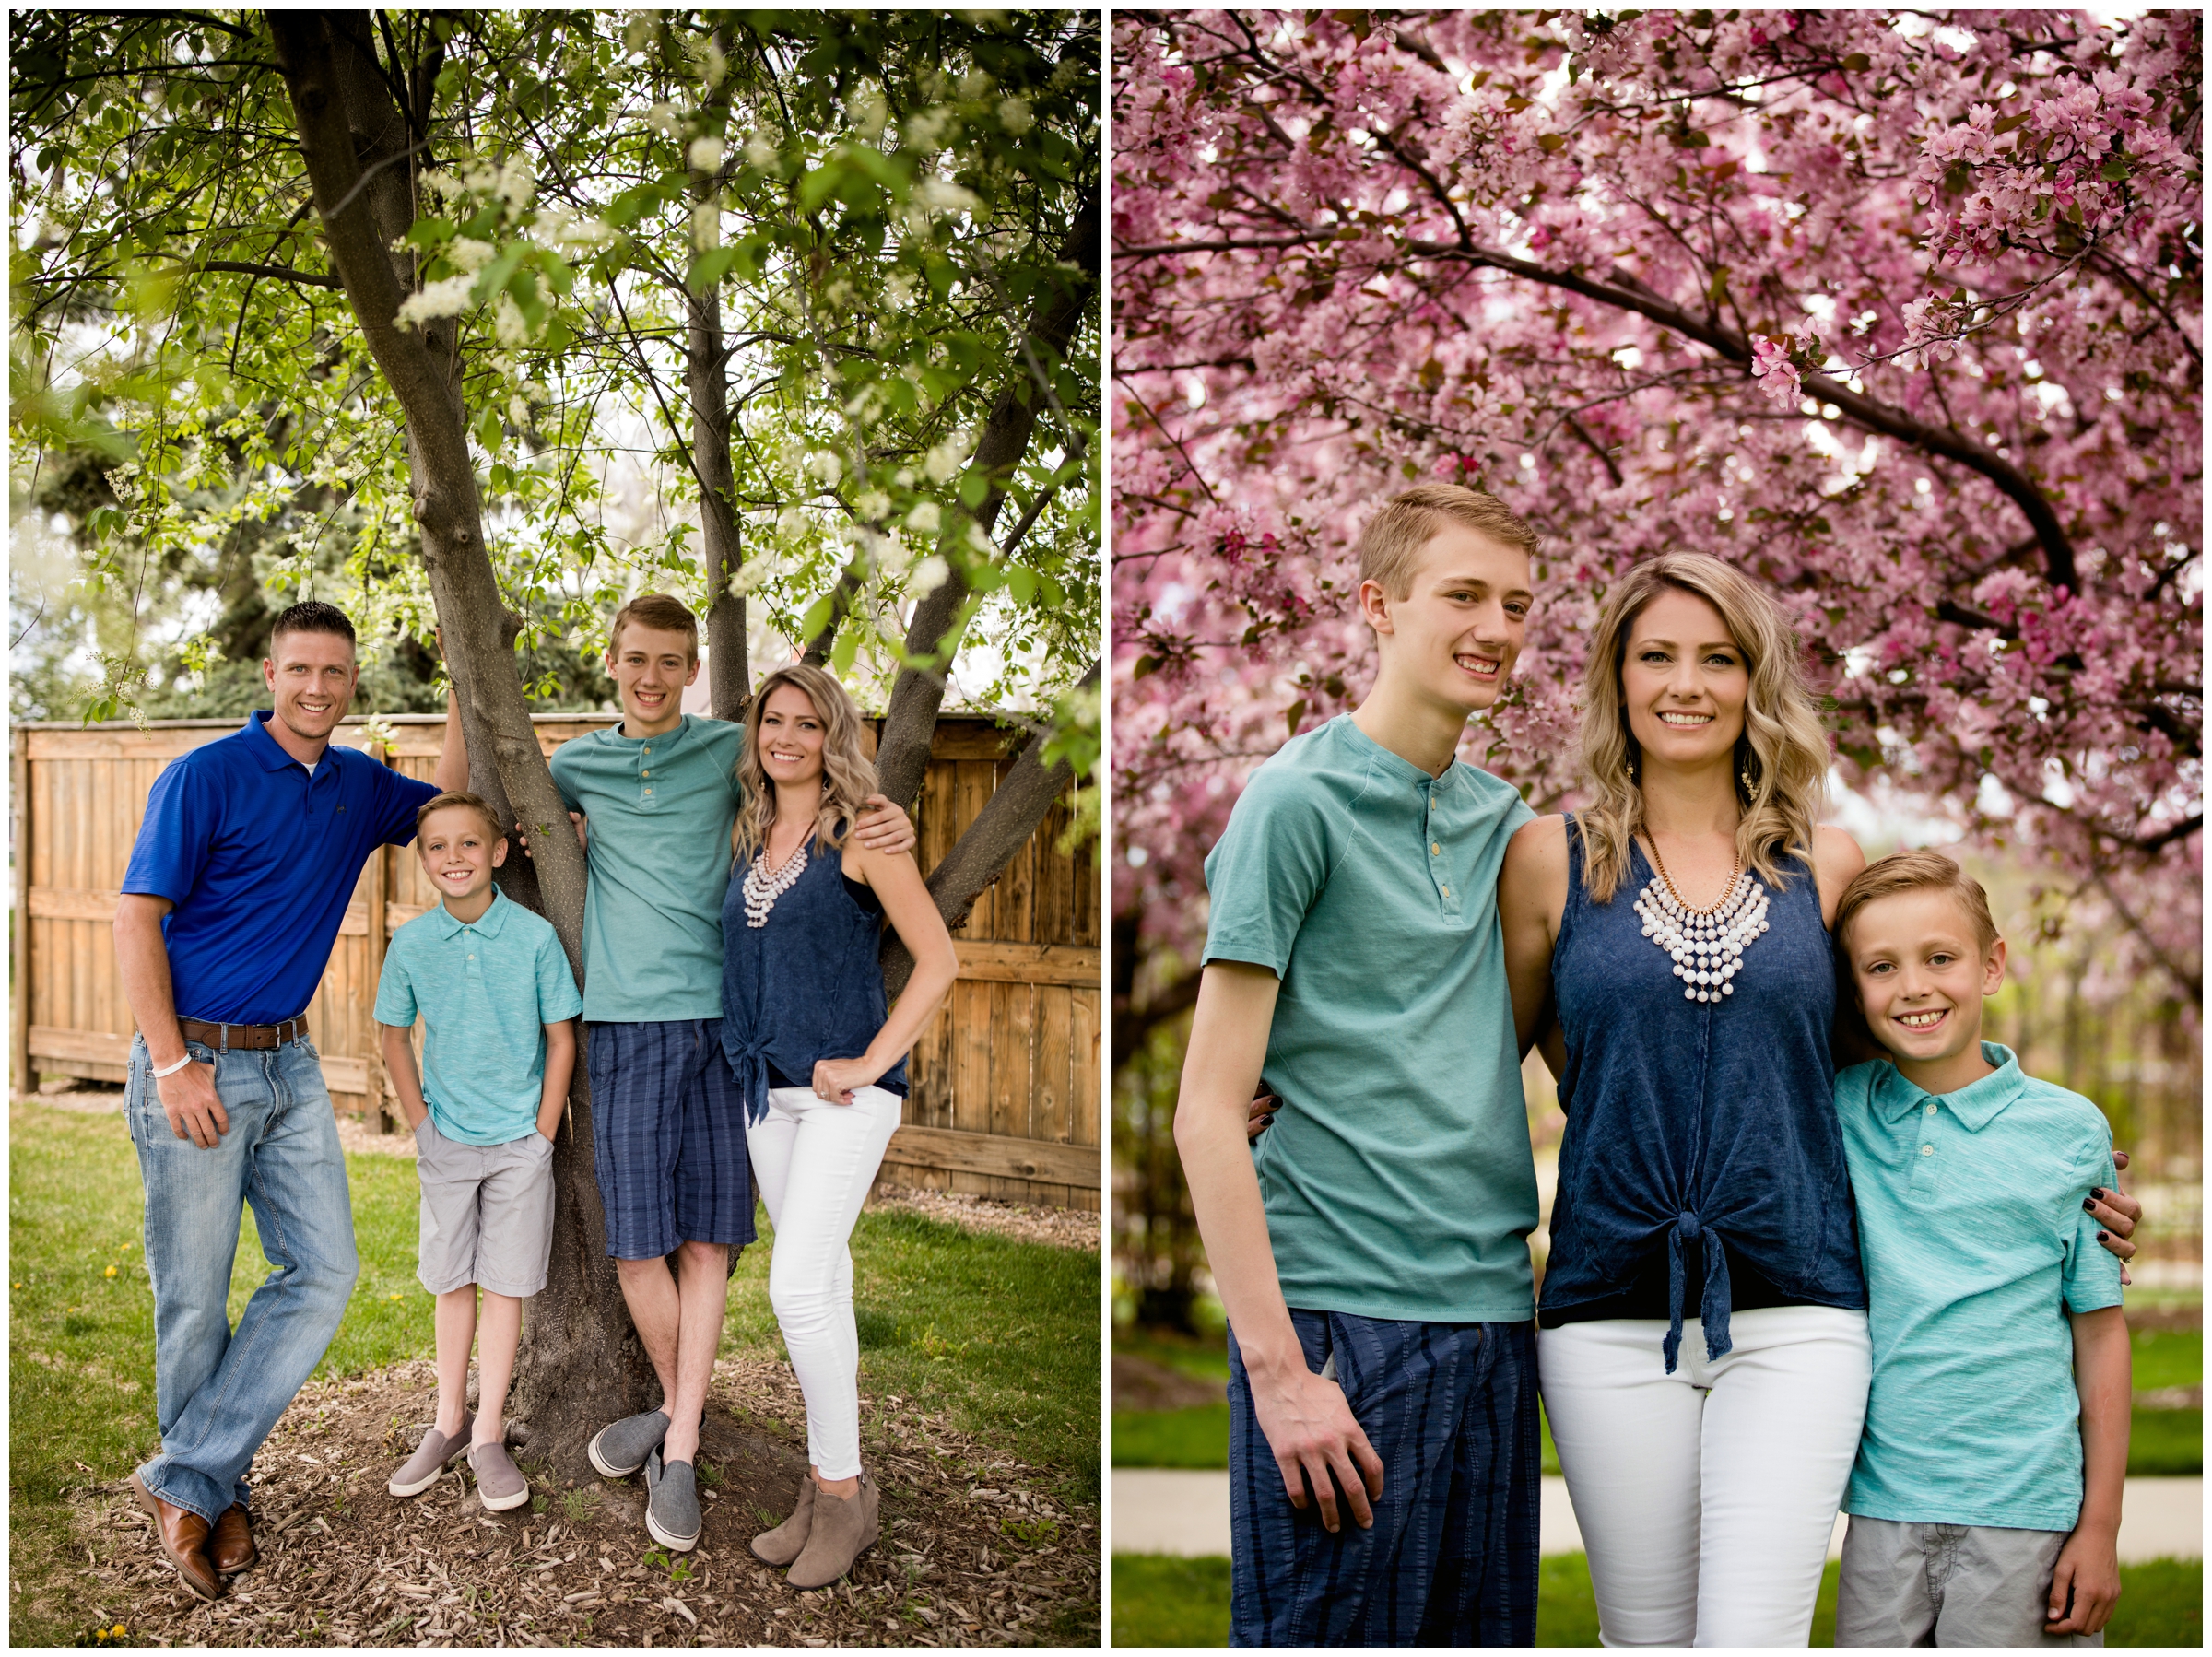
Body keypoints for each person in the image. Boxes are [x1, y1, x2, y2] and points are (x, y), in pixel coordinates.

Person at [1494, 556, 2141, 1647]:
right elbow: (1475, 1068)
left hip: (1798, 1310)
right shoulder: (1545, 862)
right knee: (1641, 1640)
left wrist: (2061, 1169)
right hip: (1607, 1309)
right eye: (1657, 655)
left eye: (1719, 657)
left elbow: (1892, 1065)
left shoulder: (1827, 862)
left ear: (1757, 680)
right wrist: (1302, 1099)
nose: (1686, 683)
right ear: (1616, 676)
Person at [1177, 485, 1546, 1646]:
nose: (1496, 626)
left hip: (1492, 1318)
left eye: (1519, 604)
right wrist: (1282, 1376)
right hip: (1342, 1316)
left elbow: (1489, 1042)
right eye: (1465, 595)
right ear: (1377, 606)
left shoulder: (1508, 826)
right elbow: (1205, 1112)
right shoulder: (1296, 804)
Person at [113, 601, 467, 1600]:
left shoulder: (357, 787)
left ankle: (191, 1475)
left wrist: (462, 679)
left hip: (291, 1066)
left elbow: (453, 808)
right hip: (199, 1065)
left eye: (337, 673)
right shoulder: (206, 777)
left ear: (354, 683)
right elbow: (137, 919)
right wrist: (173, 1061)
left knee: (325, 1270)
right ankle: (208, 1494)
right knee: (193, 1291)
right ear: (268, 674)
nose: (319, 688)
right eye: (301, 669)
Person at [547, 593, 913, 1554]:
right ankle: (682, 1419)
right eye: (636, 659)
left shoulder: (731, 752)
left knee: (710, 1244)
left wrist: (886, 813)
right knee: (637, 1246)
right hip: (622, 1025)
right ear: (613, 660)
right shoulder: (577, 763)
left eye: (671, 661)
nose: (652, 677)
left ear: (694, 669)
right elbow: (462, 818)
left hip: (722, 1033)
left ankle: (689, 1442)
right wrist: (466, 695)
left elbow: (826, 778)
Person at [1829, 851, 2127, 1647]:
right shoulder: (1839, 1111)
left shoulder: (2068, 1130)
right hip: (1884, 1509)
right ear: (1854, 990)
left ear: (1992, 965)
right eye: (1881, 967)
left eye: (1940, 958)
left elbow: (2100, 1333)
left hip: (2027, 1513)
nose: (1914, 987)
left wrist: (2100, 1529)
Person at [721, 664, 959, 1588]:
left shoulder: (863, 829)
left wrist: (868, 1062)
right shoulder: (748, 830)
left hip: (843, 1100)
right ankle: (829, 1498)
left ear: (834, 735)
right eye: (773, 721)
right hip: (764, 1094)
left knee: (794, 1288)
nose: (786, 737)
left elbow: (938, 960)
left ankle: (841, 1490)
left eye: (807, 724)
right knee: (825, 1284)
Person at [376, 793, 582, 1513]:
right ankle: (447, 1422)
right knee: (450, 1282)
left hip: (520, 1146)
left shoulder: (532, 938)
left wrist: (543, 1136)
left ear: (498, 853)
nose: (454, 857)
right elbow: (393, 1037)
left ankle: (489, 1431)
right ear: (423, 857)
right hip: (448, 1144)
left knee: (506, 1285)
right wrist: (421, 1125)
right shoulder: (411, 944)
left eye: (470, 844)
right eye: (438, 846)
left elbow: (562, 1038)